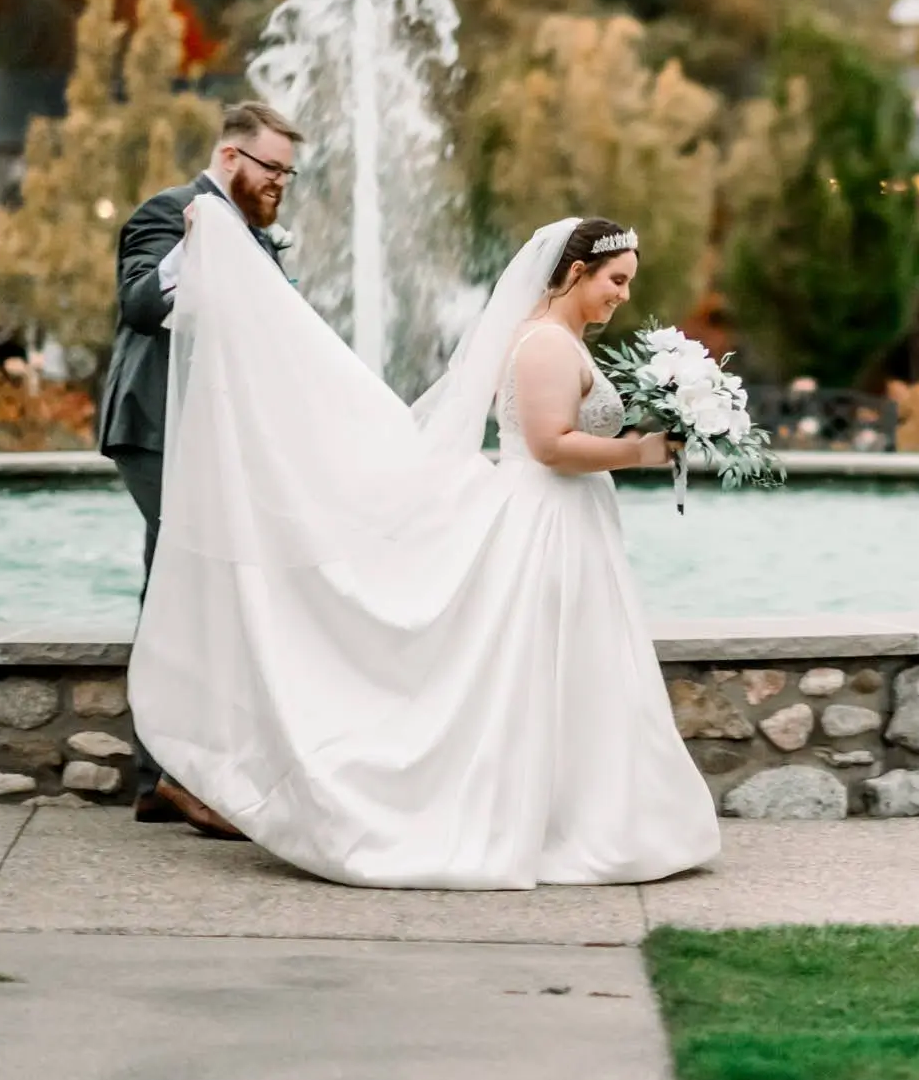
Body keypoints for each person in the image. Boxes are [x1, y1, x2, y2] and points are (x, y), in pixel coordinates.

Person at [127, 211, 721, 888]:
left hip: (568, 524)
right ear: (576, 272)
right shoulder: (547, 345)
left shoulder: (559, 339)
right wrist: (643, 450)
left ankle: (583, 814)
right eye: (616, 280)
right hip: (547, 524)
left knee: (575, 675)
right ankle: (566, 822)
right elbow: (552, 445)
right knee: (544, 672)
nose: (622, 294)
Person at [96, 101, 303, 836]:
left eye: (288, 170)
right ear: (228, 159)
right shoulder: (169, 211)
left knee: (192, 581)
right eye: (271, 166)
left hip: (219, 439)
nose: (281, 182)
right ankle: (178, 775)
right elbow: (141, 304)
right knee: (191, 578)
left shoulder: (260, 240)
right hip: (159, 426)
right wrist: (194, 245)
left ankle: (166, 777)